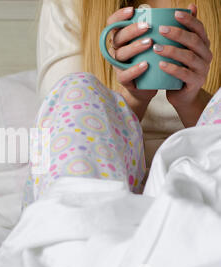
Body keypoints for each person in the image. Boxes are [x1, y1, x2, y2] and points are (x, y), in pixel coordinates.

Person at [22, 0, 220, 207]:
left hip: (204, 188)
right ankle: (83, 220)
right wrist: (132, 100)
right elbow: (60, 128)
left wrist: (193, 102)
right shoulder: (69, 5)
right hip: (101, 184)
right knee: (76, 90)